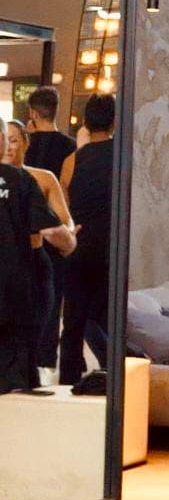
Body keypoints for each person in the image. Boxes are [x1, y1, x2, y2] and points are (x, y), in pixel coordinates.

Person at [0, 126, 74, 393]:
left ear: (25, 142)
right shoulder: (21, 180)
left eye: (14, 140)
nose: (10, 146)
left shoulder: (39, 178)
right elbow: (55, 231)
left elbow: (60, 223)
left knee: (28, 335)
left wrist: (67, 237)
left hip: (28, 265)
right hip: (15, 272)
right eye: (6, 140)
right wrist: (69, 242)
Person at [59, 93, 115, 387]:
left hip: (79, 246)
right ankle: (115, 375)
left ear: (85, 122)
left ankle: (68, 382)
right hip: (112, 248)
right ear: (114, 122)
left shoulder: (72, 161)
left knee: (73, 321)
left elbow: (64, 208)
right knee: (104, 317)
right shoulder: (123, 156)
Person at [23, 86, 76, 371]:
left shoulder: (23, 146)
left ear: (33, 112)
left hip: (26, 234)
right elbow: (68, 192)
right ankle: (45, 363)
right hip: (56, 232)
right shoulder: (69, 147)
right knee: (51, 301)